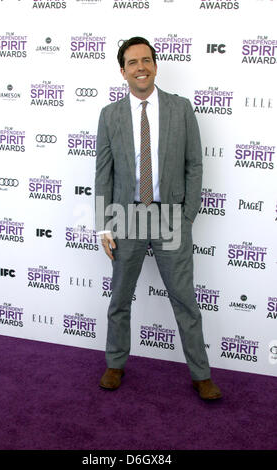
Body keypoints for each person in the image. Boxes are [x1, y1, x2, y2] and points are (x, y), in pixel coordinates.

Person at [95, 37, 222, 400]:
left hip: (170, 217)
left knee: (185, 301)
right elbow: (103, 171)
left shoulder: (181, 109)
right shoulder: (110, 115)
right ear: (123, 71)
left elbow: (194, 164)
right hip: (126, 215)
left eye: (146, 60)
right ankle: (115, 363)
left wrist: (187, 216)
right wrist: (104, 223)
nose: (141, 67)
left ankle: (201, 374)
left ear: (155, 64)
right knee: (120, 298)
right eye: (132, 62)